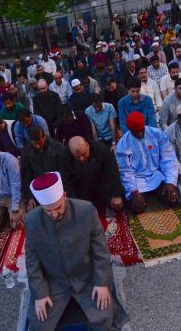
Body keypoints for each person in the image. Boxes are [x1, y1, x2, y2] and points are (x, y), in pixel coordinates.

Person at [25, 172, 128, 331]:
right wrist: (40, 293)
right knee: (40, 324)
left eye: (58, 207)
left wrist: (101, 283)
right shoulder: (32, 220)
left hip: (85, 276)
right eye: (48, 210)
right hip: (54, 280)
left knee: (104, 318)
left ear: (64, 196)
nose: (54, 214)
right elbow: (32, 260)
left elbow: (100, 250)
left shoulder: (86, 210)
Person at [116, 112, 179, 214]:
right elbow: (125, 171)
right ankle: (144, 195)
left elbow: (168, 158)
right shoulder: (123, 144)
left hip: (157, 176)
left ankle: (154, 193)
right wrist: (134, 192)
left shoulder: (157, 134)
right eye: (136, 132)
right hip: (138, 181)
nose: (140, 134)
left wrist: (170, 182)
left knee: (173, 200)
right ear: (129, 129)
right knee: (137, 209)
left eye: (142, 130)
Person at [61, 137, 124, 211]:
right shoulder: (65, 156)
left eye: (83, 154)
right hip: (82, 191)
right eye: (77, 157)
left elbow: (113, 172)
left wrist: (116, 194)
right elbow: (67, 181)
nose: (81, 158)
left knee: (118, 204)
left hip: (102, 187)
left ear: (87, 145)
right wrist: (76, 203)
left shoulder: (101, 149)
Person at [20, 126, 64, 212]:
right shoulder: (26, 150)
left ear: (44, 137)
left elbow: (64, 171)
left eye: (39, 143)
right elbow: (26, 174)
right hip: (38, 188)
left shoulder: (57, 147)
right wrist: (29, 197)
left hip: (56, 186)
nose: (37, 146)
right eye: (34, 144)